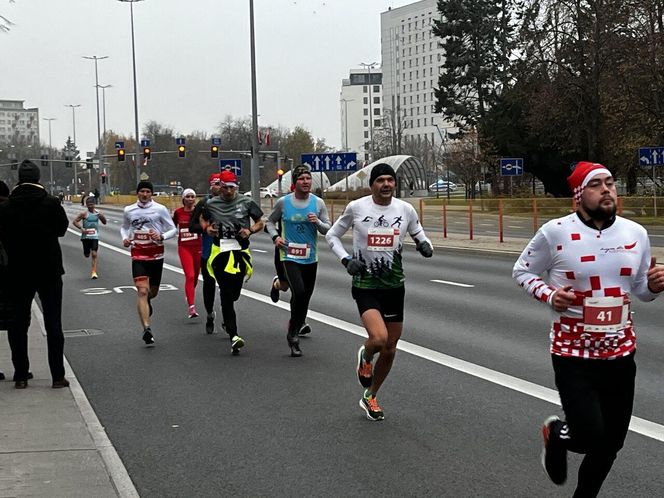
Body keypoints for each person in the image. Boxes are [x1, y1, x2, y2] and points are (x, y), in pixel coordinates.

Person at [512, 161, 664, 496]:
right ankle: (557, 434)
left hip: (621, 353)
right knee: (588, 434)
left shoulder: (635, 234)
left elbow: (640, 291)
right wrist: (551, 295)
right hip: (573, 353)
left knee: (610, 444)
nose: (607, 189)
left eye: (610, 182)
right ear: (580, 194)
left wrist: (654, 286)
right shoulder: (556, 233)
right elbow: (522, 272)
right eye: (596, 184)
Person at [325, 163, 433, 421]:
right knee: (378, 338)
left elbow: (420, 234)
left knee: (391, 348)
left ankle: (370, 396)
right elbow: (332, 235)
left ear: (395, 184)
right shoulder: (357, 208)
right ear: (372, 184)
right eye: (380, 180)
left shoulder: (405, 209)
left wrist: (425, 245)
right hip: (366, 285)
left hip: (394, 286)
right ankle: (365, 354)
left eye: (390, 180)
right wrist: (345, 260)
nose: (386, 184)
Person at [0, 161, 69, 389]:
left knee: (17, 323)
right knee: (53, 323)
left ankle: (20, 374)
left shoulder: (7, 207)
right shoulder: (50, 203)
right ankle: (57, 376)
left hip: (17, 271)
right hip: (48, 269)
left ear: (18, 179)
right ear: (39, 178)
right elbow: (61, 229)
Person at [266, 166, 331, 356]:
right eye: (302, 178)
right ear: (295, 183)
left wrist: (317, 222)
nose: (306, 182)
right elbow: (269, 222)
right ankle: (293, 335)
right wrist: (276, 237)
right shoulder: (284, 203)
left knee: (304, 297)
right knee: (299, 291)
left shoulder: (318, 203)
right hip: (289, 255)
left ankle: (296, 323)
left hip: (310, 257)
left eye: (308, 178)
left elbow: (327, 228)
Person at [198, 170, 264, 355]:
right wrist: (207, 228)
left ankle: (228, 317)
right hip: (220, 251)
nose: (228, 191)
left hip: (240, 251)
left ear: (237, 187)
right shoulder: (211, 203)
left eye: (231, 188)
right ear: (220, 188)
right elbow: (201, 218)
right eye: (225, 187)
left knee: (234, 293)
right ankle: (234, 336)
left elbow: (261, 222)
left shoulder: (246, 202)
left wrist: (250, 230)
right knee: (226, 294)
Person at [121, 181, 177, 346]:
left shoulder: (160, 209)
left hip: (156, 255)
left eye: (148, 192)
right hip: (138, 254)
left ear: (151, 194)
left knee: (152, 292)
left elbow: (172, 229)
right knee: (142, 291)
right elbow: (124, 228)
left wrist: (161, 236)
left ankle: (146, 302)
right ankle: (147, 328)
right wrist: (125, 238)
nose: (145, 195)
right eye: (142, 191)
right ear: (137, 193)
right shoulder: (129, 210)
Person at [189, 173, 223, 333]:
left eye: (221, 184)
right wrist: (205, 228)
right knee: (209, 285)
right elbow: (192, 226)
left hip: (228, 251)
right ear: (211, 186)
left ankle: (228, 316)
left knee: (228, 288)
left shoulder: (233, 203)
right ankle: (210, 313)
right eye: (216, 184)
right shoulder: (204, 203)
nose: (219, 187)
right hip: (208, 253)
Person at [173, 188, 202, 318]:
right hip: (184, 247)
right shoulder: (178, 213)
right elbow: (171, 227)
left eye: (192, 197)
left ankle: (189, 294)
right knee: (189, 276)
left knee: (195, 277)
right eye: (188, 197)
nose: (190, 199)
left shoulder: (199, 212)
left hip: (198, 247)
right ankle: (191, 307)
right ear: (183, 199)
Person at [72, 196, 107, 279]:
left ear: (94, 204)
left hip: (95, 236)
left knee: (94, 254)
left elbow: (104, 222)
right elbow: (74, 222)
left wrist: (101, 216)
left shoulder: (98, 213)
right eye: (89, 205)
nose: (90, 206)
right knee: (87, 254)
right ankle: (86, 252)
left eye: (92, 204)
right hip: (86, 237)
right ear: (86, 205)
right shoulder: (84, 214)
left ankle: (94, 272)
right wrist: (81, 228)